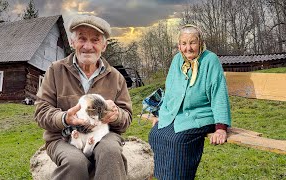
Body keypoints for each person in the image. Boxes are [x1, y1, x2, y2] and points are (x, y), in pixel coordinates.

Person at [34, 14, 132, 180]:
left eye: (95, 40)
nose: (88, 46)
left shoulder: (116, 77)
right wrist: (65, 118)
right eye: (82, 39)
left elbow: (126, 117)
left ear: (104, 45)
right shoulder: (55, 70)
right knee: (75, 163)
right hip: (62, 138)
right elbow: (41, 112)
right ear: (73, 42)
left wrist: (116, 116)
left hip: (103, 135)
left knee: (110, 153)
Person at [148, 24, 231, 180]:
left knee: (177, 140)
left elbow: (219, 93)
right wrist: (161, 114)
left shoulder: (210, 60)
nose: (188, 48)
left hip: (200, 114)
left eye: (192, 42)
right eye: (184, 43)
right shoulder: (177, 60)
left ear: (200, 42)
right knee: (156, 134)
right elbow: (170, 90)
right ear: (179, 45)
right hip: (177, 114)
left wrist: (220, 128)